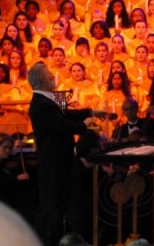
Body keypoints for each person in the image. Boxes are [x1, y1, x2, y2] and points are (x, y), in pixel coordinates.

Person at [27, 62, 106, 246]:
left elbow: (67, 114)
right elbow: (62, 126)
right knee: (54, 211)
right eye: (49, 74)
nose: (53, 76)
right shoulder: (41, 104)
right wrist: (87, 124)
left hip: (61, 162)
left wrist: (92, 111)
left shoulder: (49, 99)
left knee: (61, 208)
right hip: (53, 165)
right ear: (42, 79)